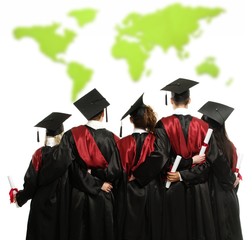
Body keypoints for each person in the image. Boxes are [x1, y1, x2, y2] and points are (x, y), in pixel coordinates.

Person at [50, 88, 122, 240]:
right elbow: (117, 170)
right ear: (103, 114)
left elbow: (68, 167)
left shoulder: (72, 135)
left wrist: (90, 179)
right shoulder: (114, 139)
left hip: (80, 196)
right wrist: (101, 183)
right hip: (105, 196)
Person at [155, 78, 219, 240]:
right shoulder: (204, 127)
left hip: (173, 188)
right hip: (199, 191)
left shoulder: (162, 125)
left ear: (171, 101)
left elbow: (161, 158)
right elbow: (210, 162)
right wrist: (188, 173)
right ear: (189, 100)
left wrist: (178, 175)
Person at [10, 112, 71, 240]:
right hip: (62, 206)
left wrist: (19, 197)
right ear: (61, 134)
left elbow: (31, 184)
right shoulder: (67, 156)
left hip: (41, 207)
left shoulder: (38, 155)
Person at [116, 93, 166, 240]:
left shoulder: (121, 143)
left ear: (131, 120)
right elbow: (162, 163)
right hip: (153, 192)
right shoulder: (156, 141)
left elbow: (116, 170)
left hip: (127, 193)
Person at [198, 101, 243, 240]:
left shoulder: (206, 150)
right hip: (230, 198)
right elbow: (235, 178)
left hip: (213, 200)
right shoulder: (231, 146)